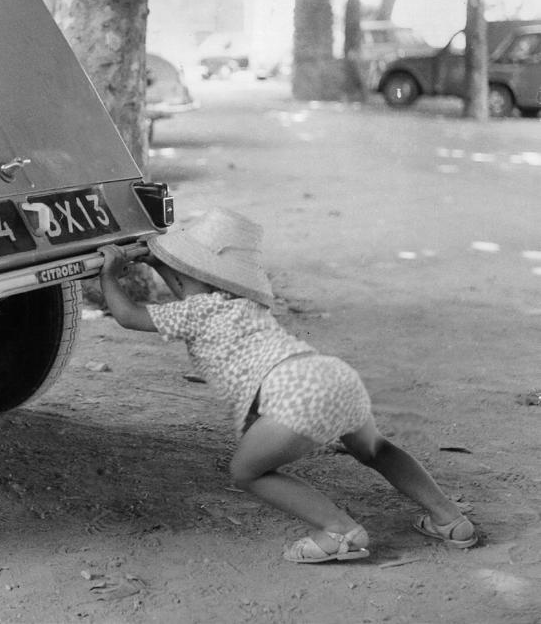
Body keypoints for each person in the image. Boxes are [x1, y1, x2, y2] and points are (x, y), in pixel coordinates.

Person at [98, 208, 477, 563]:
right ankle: (449, 518)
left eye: (177, 271)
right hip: (332, 377)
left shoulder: (193, 313)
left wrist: (109, 276)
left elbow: (129, 316)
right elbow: (193, 290)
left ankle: (339, 530)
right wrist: (166, 265)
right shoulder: (243, 304)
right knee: (375, 449)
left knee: (246, 473)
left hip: (295, 396)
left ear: (185, 275)